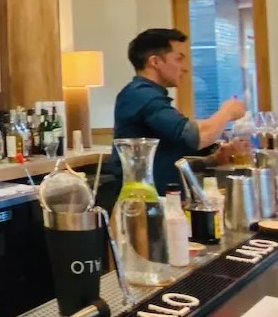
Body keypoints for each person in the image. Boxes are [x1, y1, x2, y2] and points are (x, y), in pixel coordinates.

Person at [100, 28, 245, 207]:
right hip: (144, 204)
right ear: (155, 61)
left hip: (162, 201)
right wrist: (227, 111)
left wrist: (214, 159)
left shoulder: (151, 97)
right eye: (178, 59)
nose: (185, 68)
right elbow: (196, 136)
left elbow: (171, 159)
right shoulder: (140, 95)